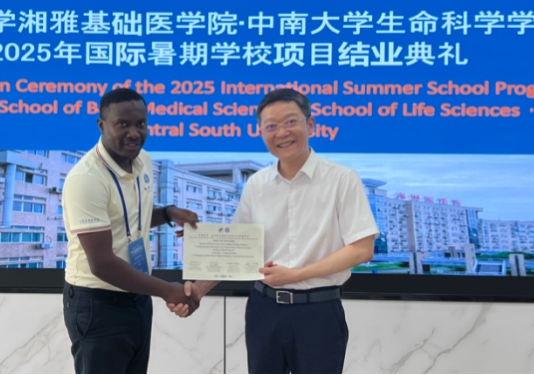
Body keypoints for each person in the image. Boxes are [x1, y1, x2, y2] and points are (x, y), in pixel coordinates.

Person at [169, 88, 379, 374]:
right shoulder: (256, 184)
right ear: (261, 132)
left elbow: (361, 249)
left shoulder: (342, 179)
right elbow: (237, 250)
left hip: (318, 312)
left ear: (310, 125)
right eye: (271, 126)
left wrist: (295, 275)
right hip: (263, 310)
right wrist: (197, 288)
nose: (281, 132)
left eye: (290, 122)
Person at [62, 88, 200, 374]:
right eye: (123, 124)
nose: (134, 133)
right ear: (102, 125)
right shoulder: (86, 179)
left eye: (141, 124)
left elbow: (130, 219)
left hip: (137, 295)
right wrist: (168, 290)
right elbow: (101, 263)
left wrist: (168, 213)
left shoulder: (143, 161)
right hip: (98, 303)